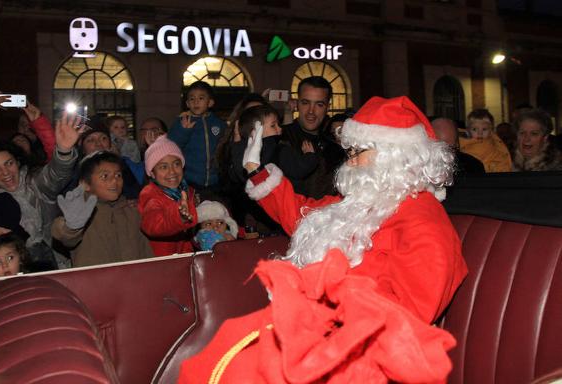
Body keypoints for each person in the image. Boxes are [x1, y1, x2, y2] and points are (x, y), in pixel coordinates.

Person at [180, 96, 468, 383]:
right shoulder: (365, 202)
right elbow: (306, 217)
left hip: (350, 355)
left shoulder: (425, 222)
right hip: (315, 333)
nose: (350, 161)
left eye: (358, 151)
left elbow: (406, 316)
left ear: (395, 153)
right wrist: (257, 171)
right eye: (350, 151)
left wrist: (325, 314)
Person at [0, 112, 81, 279]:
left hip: (55, 265)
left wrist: (64, 150)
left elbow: (56, 174)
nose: (5, 173)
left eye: (9, 163)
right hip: (6, 273)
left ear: (18, 162)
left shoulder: (36, 182)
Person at [52, 151, 154, 267]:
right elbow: (63, 236)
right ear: (85, 184)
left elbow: (146, 254)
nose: (114, 180)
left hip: (134, 282)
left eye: (118, 175)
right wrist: (72, 227)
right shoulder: (78, 213)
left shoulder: (132, 211)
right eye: (105, 176)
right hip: (96, 283)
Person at [280, 76, 343, 198]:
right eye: (305, 103)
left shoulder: (335, 142)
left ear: (327, 108)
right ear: (297, 104)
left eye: (319, 104)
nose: (311, 111)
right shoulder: (281, 138)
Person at [138, 136, 198, 256]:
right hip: (161, 263)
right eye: (163, 167)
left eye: (176, 164)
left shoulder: (187, 191)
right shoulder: (150, 195)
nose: (172, 172)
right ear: (152, 174)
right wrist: (178, 217)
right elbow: (153, 224)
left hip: (185, 258)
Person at [168, 81, 227, 201]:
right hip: (189, 180)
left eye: (201, 98)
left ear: (210, 102)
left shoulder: (218, 123)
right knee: (194, 212)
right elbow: (172, 147)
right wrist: (183, 131)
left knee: (214, 213)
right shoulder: (182, 122)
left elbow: (225, 145)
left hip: (215, 180)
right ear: (187, 103)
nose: (196, 102)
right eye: (192, 99)